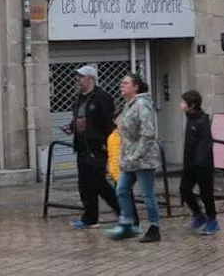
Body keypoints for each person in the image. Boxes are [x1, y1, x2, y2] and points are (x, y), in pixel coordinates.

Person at [63, 65, 121, 229]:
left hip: (97, 147)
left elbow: (108, 123)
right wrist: (72, 127)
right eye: (78, 77)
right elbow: (80, 118)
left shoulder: (102, 98)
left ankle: (121, 211)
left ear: (90, 79)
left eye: (81, 77)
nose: (78, 80)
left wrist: (105, 143)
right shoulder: (80, 98)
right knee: (84, 183)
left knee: (99, 182)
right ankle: (90, 217)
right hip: (82, 146)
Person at [107, 73, 162, 243]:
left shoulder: (141, 105)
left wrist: (137, 154)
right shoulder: (128, 105)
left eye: (126, 83)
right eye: (121, 83)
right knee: (122, 190)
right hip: (129, 158)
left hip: (143, 159)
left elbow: (148, 132)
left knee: (147, 195)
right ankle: (129, 223)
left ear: (136, 87)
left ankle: (154, 227)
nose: (121, 85)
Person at [179, 90, 218, 235]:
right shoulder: (190, 118)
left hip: (202, 165)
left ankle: (212, 220)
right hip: (190, 163)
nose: (181, 105)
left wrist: (200, 162)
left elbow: (204, 144)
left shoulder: (202, 121)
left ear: (192, 105)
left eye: (184, 102)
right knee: (184, 190)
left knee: (206, 193)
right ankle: (198, 215)